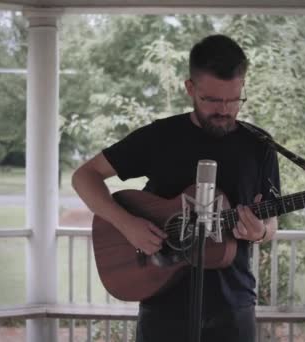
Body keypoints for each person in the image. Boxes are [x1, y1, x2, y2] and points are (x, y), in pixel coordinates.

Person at [72, 34, 280, 342]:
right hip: (163, 303)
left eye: (233, 99)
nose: (224, 110)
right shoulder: (159, 137)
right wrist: (127, 224)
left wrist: (260, 232)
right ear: (190, 89)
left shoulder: (259, 145)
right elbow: (84, 177)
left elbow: (272, 221)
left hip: (233, 306)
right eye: (212, 100)